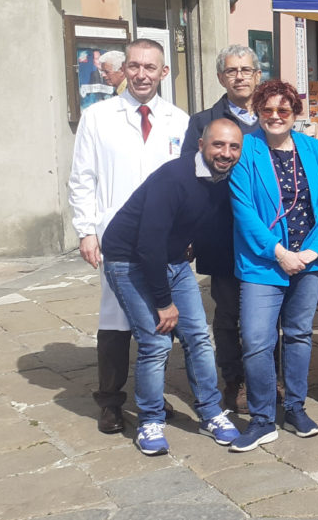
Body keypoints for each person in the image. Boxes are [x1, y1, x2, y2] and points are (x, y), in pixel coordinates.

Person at [68, 38, 190, 435]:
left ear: (163, 73)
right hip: (114, 238)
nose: (141, 74)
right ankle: (110, 401)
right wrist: (87, 230)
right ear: (125, 70)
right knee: (116, 318)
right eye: (135, 66)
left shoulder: (179, 121)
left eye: (150, 68)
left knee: (160, 316)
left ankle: (151, 400)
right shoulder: (99, 117)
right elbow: (82, 176)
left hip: (164, 241)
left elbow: (187, 184)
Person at [100, 119, 244, 454]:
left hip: (173, 259)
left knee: (197, 336)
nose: (225, 153)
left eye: (233, 147)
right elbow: (148, 244)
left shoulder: (223, 179)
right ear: (201, 145)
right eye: (218, 145)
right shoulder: (174, 177)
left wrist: (190, 243)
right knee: (156, 342)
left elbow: (208, 219)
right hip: (130, 260)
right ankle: (150, 420)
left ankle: (210, 412)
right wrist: (164, 303)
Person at [228, 80, 318, 452]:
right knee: (258, 341)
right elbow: (243, 211)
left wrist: (311, 253)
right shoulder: (247, 151)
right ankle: (262, 418)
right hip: (263, 262)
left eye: (284, 110)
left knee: (297, 335)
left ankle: (294, 407)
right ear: (258, 112)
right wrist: (279, 253)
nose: (275, 117)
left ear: (295, 114)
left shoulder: (313, 149)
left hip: (308, 261)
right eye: (267, 110)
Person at [182, 45, 263, 414]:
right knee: (228, 313)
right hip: (222, 233)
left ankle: (267, 375)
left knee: (266, 311)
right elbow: (189, 180)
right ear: (220, 78)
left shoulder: (272, 117)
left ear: (257, 75)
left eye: (246, 70)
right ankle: (236, 379)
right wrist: (186, 233)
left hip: (266, 234)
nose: (240, 76)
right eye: (232, 71)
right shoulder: (201, 122)